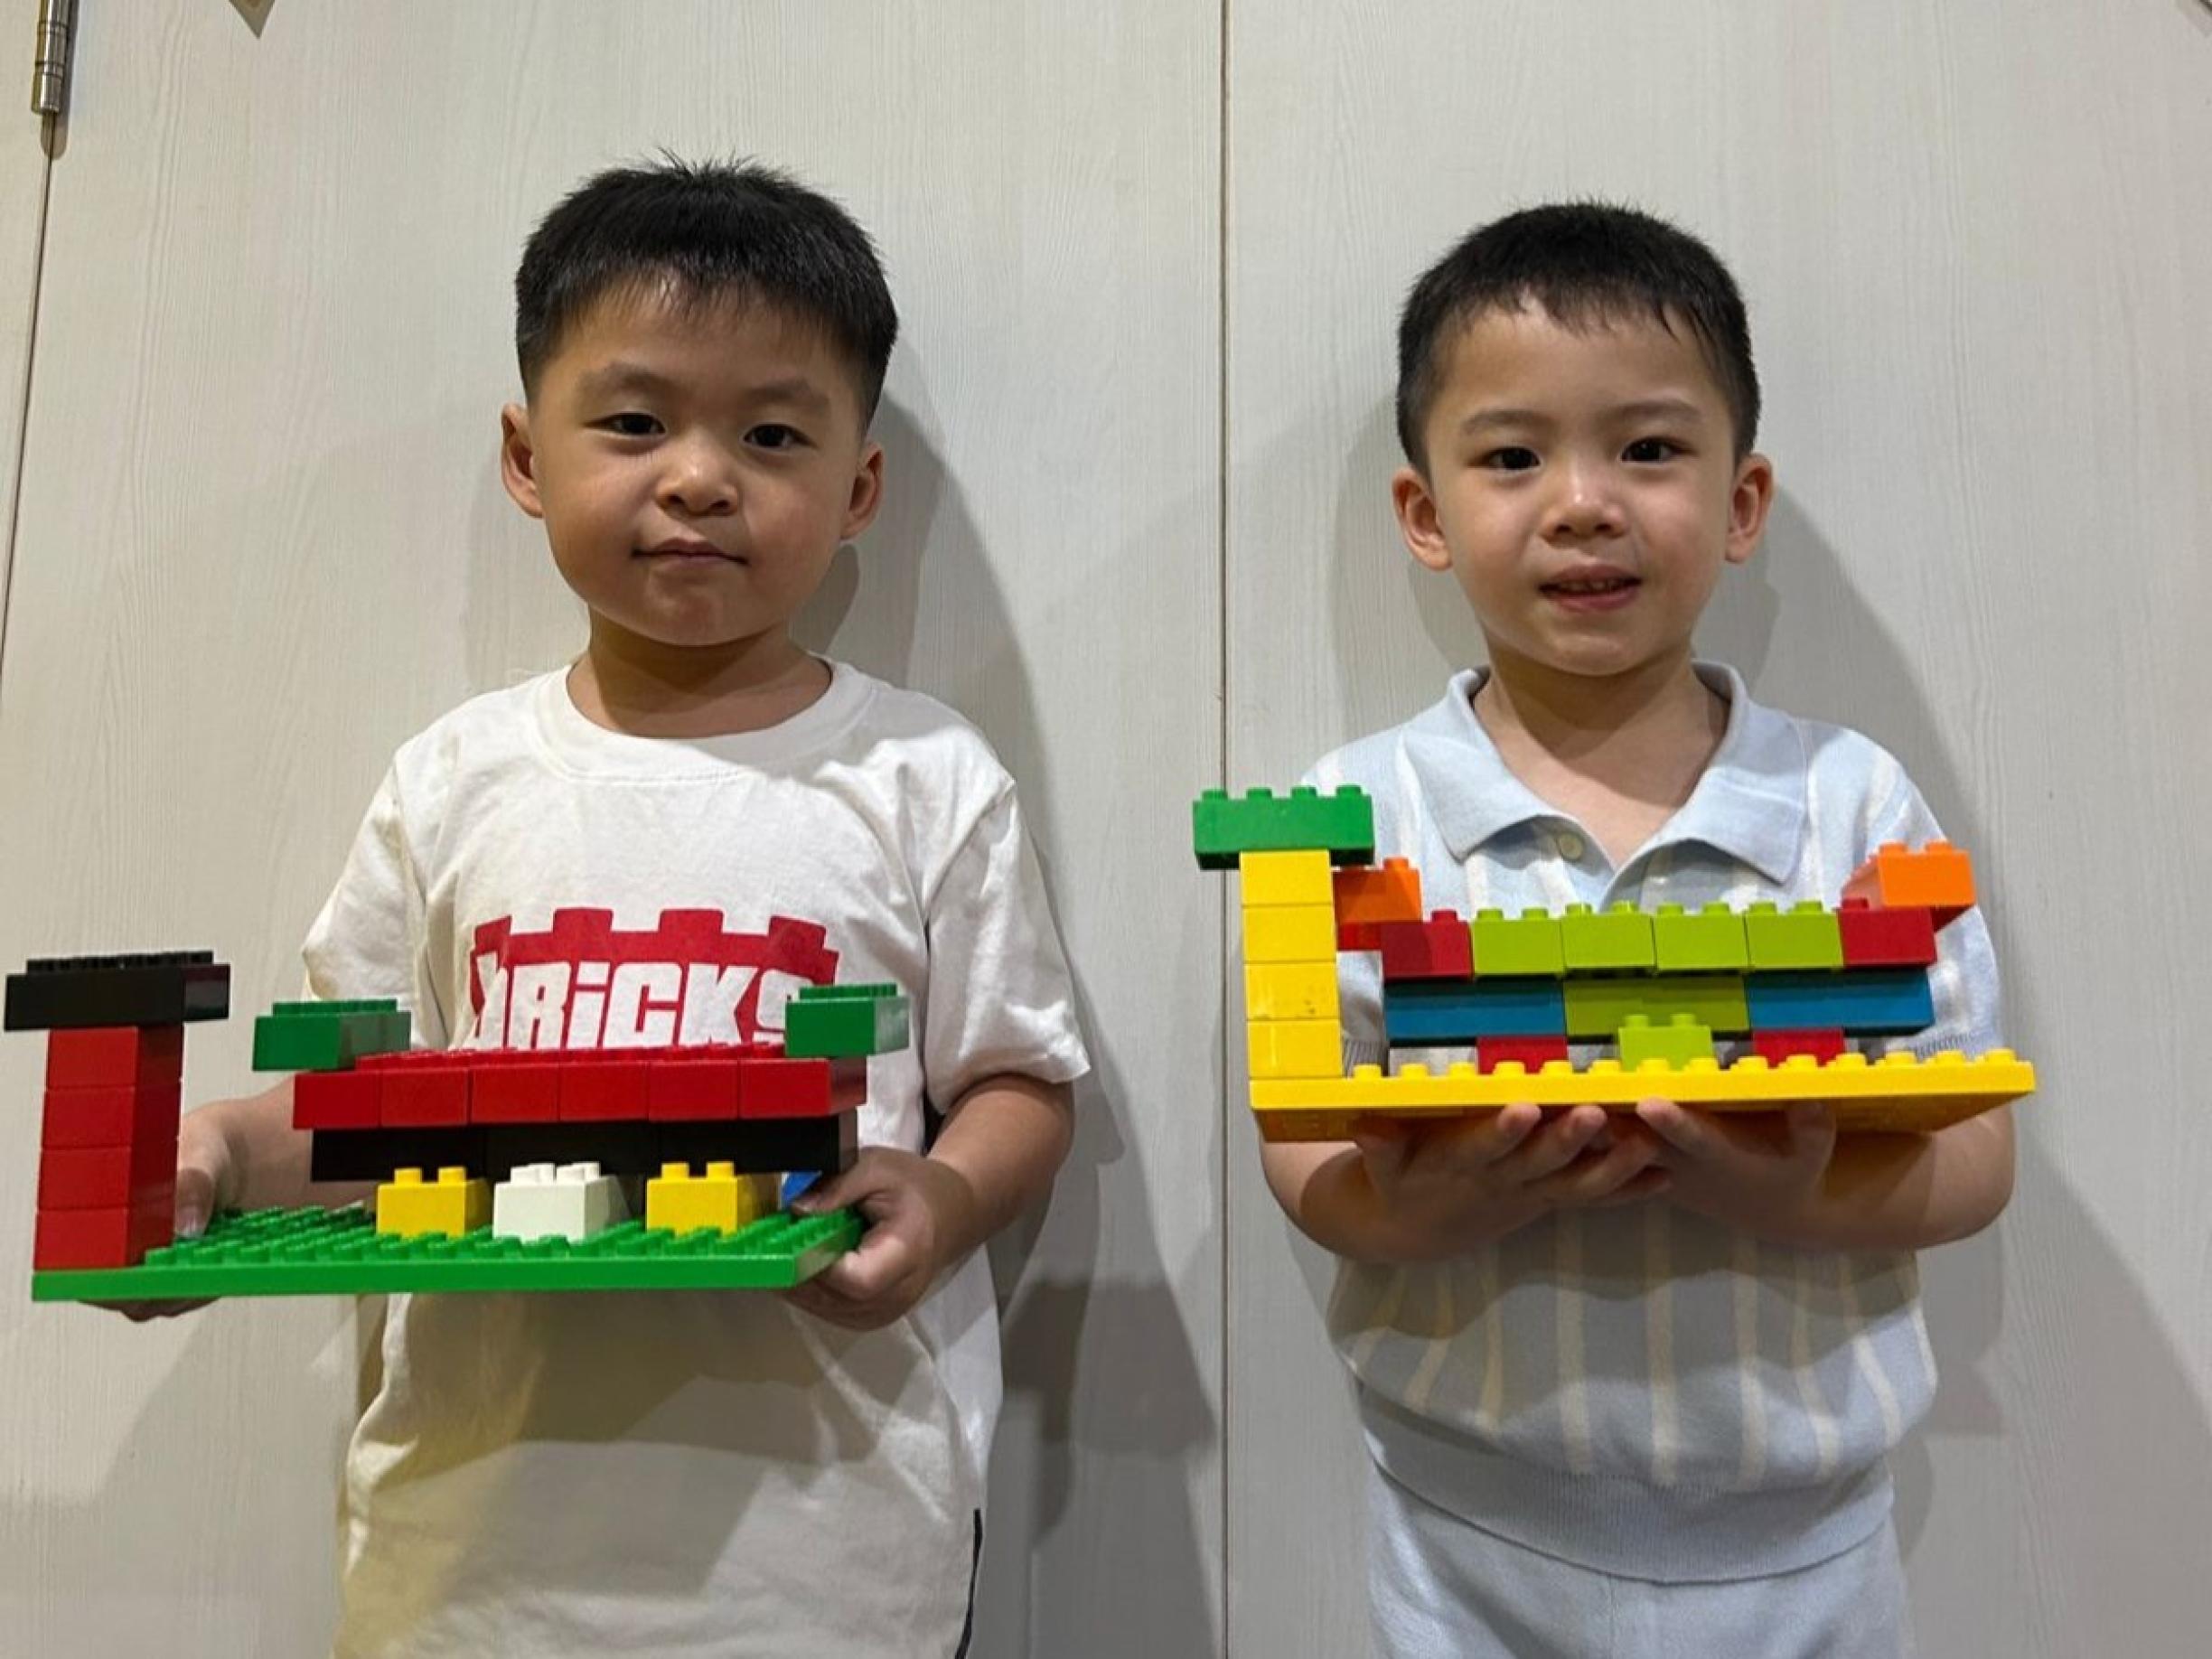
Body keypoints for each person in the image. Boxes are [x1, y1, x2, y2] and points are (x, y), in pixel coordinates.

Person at [144, 156, 1088, 1658]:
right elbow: (356, 1111)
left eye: (770, 434)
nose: (700, 477)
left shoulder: (923, 775)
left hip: (830, 1561)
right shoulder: (455, 779)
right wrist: (216, 1159)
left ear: (856, 490)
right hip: (473, 1560)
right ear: (528, 459)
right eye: (636, 423)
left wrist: (948, 1198)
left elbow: (1022, 1083)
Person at [1262, 202, 2012, 1657]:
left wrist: (1791, 1196)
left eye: (1650, 449)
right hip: (1464, 1541)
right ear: (1426, 516)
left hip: (1812, 1552)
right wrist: (1431, 1211)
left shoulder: (1851, 801)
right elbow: (1302, 1146)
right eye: (1511, 457)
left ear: (1743, 502)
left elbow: (1976, 1147)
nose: (1583, 504)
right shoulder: (1351, 814)